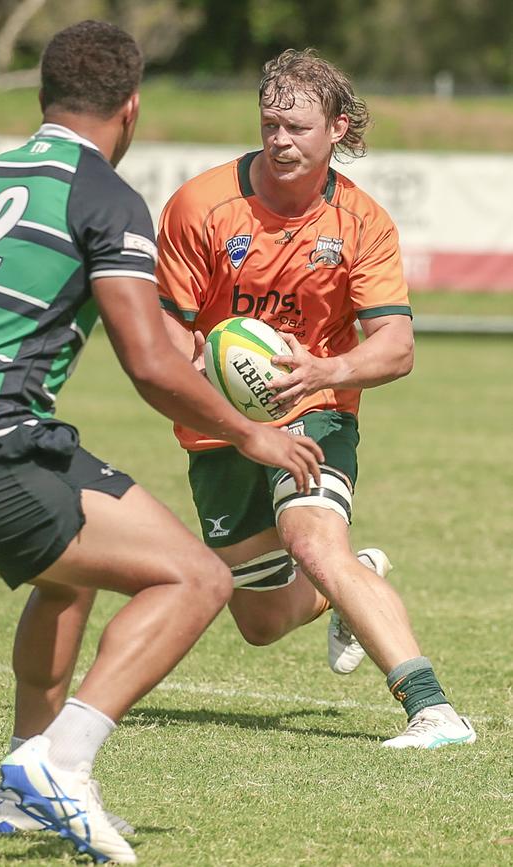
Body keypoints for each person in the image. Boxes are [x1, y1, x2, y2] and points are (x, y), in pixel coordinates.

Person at [0, 22, 325, 864]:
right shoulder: (105, 193)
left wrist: (200, 346)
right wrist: (250, 431)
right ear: (132, 107)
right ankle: (59, 762)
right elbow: (147, 365)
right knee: (194, 576)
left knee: (66, 579)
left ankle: (18, 791)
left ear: (44, 97)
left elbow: (129, 322)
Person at [155, 47, 476, 750]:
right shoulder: (200, 206)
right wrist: (205, 378)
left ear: (338, 129)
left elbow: (396, 346)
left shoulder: (361, 222)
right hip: (220, 425)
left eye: (298, 127)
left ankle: (431, 707)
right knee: (261, 622)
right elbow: (166, 336)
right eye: (270, 123)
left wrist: (323, 372)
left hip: (318, 407)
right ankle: (350, 584)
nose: (280, 139)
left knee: (312, 537)